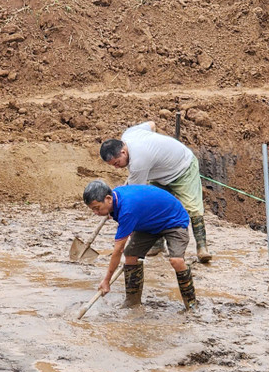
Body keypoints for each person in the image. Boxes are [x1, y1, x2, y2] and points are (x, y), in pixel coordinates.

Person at [99, 121, 211, 263]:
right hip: (159, 173)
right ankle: (158, 245)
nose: (116, 168)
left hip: (182, 168)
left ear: (123, 151)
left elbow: (134, 198)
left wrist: (114, 209)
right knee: (155, 208)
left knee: (192, 207)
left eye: (116, 163)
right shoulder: (128, 134)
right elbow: (151, 124)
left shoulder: (139, 162)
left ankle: (202, 248)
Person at [82, 179, 197, 311]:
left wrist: (106, 281)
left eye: (97, 208)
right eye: (93, 210)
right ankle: (132, 302)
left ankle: (191, 305)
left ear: (108, 198)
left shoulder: (127, 210)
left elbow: (118, 250)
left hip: (173, 220)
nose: (96, 213)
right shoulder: (116, 198)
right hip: (149, 223)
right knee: (131, 255)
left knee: (176, 261)